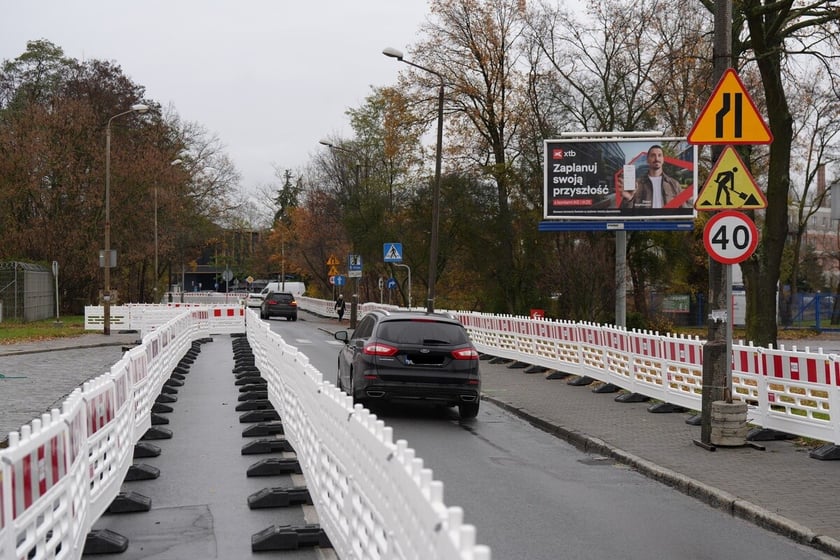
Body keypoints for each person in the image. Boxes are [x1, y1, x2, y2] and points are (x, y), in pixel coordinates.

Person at [621, 145, 690, 209]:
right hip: (645, 222)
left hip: (668, 222)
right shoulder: (637, 184)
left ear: (663, 159)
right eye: (653, 156)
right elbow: (626, 214)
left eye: (659, 155)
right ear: (647, 160)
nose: (657, 158)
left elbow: (685, 211)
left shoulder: (674, 184)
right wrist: (628, 199)